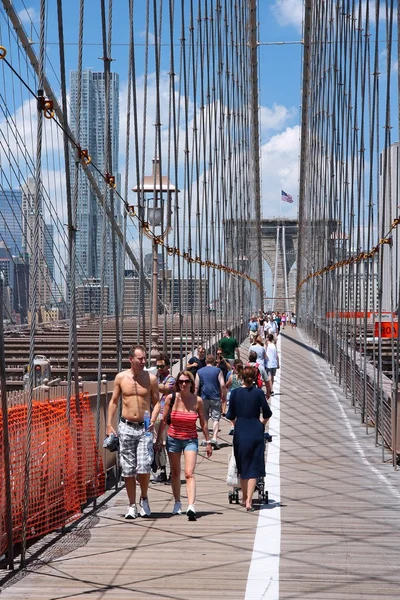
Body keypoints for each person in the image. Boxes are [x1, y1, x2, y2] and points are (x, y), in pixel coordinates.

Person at [107, 345, 159, 519]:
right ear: (131, 360)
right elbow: (114, 401)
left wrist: (153, 420)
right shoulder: (121, 378)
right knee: (128, 470)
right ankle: (131, 505)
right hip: (126, 427)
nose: (144, 361)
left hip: (144, 428)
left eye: (144, 358)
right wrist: (109, 424)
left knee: (143, 467)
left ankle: (144, 498)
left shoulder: (150, 379)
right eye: (140, 359)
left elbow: (157, 402)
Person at [155, 370, 212, 521]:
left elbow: (203, 422)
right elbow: (163, 420)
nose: (184, 384)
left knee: (188, 473)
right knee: (175, 473)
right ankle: (177, 502)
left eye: (186, 381)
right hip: (173, 438)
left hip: (190, 439)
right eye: (181, 381)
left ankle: (191, 505)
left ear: (192, 383)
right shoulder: (171, 398)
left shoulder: (197, 401)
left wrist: (208, 442)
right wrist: (159, 440)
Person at [226, 366, 272, 511]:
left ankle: (244, 497)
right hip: (255, 431)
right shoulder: (259, 393)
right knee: (253, 466)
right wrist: (261, 425)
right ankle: (249, 502)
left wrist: (236, 425)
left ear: (241, 378)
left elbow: (230, 416)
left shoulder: (234, 393)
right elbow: (267, 414)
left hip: (240, 431)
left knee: (242, 466)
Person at [151, 354, 176, 483]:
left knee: (168, 445)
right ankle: (163, 471)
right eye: (158, 366)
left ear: (167, 366)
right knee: (158, 445)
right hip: (156, 416)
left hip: (166, 417)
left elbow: (167, 389)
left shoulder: (170, 379)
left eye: (162, 366)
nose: (159, 368)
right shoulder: (155, 378)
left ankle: (173, 473)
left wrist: (150, 382)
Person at [195, 354, 227, 449]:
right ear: (213, 362)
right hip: (215, 396)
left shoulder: (199, 371)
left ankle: (206, 439)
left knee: (204, 418)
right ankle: (214, 438)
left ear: (205, 362)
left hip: (203, 397)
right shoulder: (218, 370)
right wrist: (223, 396)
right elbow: (222, 384)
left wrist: (194, 398)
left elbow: (196, 386)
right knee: (216, 418)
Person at [226, 359, 244, 434]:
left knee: (232, 411)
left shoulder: (231, 377)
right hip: (241, 396)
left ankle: (233, 426)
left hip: (233, 396)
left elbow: (227, 386)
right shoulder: (243, 377)